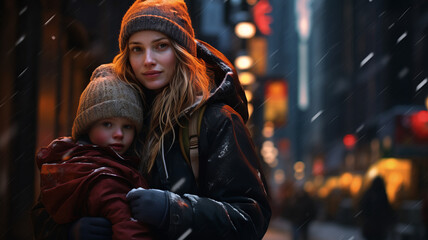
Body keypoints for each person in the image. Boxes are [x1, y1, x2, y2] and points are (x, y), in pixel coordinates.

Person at [32, 0, 271, 239]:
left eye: (161, 46)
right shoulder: (113, 111)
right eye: (137, 49)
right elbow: (48, 207)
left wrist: (173, 210)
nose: (147, 60)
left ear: (181, 52)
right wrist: (68, 231)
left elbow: (250, 219)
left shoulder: (216, 122)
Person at [34, 64, 152, 240]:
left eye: (127, 126)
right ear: (87, 128)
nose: (119, 134)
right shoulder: (85, 169)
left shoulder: (67, 160)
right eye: (107, 124)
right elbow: (42, 215)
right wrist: (68, 231)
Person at [359, 176, 395, 240]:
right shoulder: (382, 193)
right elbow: (387, 208)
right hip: (379, 226)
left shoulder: (369, 193)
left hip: (371, 226)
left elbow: (363, 207)